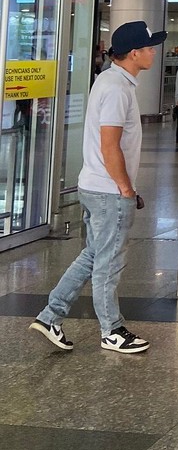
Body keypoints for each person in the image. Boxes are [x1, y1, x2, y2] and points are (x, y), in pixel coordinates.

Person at [30, 20, 167, 355]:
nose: (153, 52)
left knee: (94, 255)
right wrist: (125, 188)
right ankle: (112, 330)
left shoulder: (111, 80)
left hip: (97, 186)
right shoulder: (117, 88)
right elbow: (110, 145)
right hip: (108, 191)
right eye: (149, 48)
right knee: (109, 262)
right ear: (134, 53)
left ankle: (50, 316)